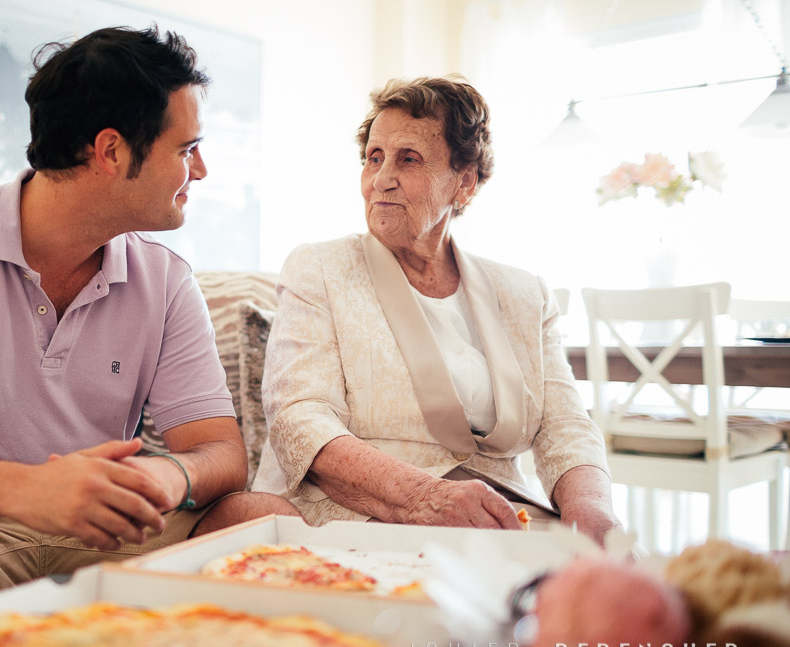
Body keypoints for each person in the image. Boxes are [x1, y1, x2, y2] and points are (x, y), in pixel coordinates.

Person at [0, 27, 297, 630]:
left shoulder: (166, 280)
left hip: (111, 537)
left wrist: (170, 473)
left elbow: (222, 452)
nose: (200, 169)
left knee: (263, 519)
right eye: (186, 147)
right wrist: (25, 490)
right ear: (111, 151)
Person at [252, 75, 619, 543]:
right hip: (351, 516)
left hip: (497, 518)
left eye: (409, 159)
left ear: (464, 182)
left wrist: (590, 508)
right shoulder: (320, 268)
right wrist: (425, 497)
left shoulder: (525, 293)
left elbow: (564, 426)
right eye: (373, 158)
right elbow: (299, 420)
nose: (381, 180)